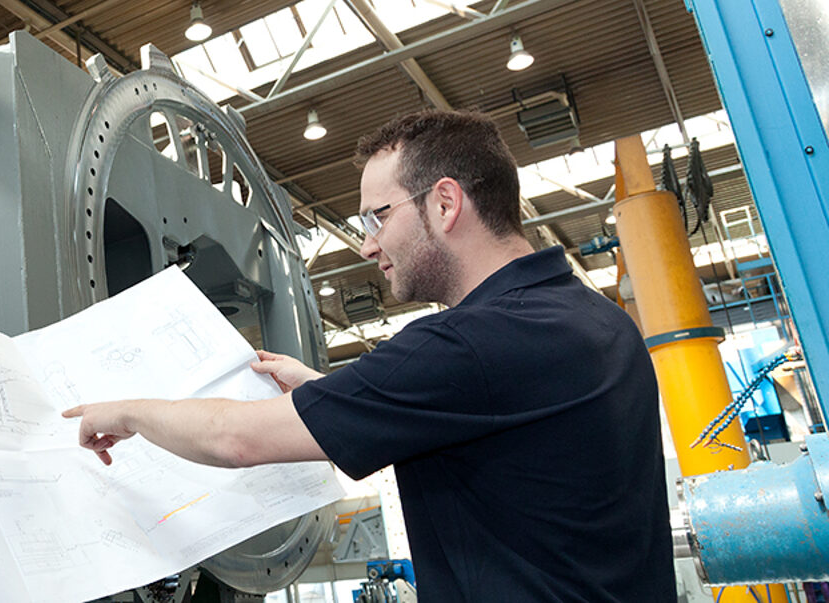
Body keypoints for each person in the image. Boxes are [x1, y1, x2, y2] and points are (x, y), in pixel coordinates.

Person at [64, 110, 673, 601]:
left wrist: (126, 411)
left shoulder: (465, 346)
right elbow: (496, 443)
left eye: (377, 216)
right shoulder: (598, 322)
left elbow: (236, 439)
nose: (367, 244)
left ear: (444, 202)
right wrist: (328, 393)